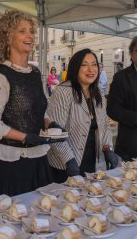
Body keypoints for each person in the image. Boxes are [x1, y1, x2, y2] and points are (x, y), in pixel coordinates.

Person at [0, 9, 60, 203]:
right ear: (7, 37)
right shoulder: (0, 76)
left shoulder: (35, 73)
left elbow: (38, 109)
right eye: (22, 31)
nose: (30, 36)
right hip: (9, 165)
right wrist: (26, 137)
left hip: (37, 159)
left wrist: (49, 124)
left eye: (31, 31)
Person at [47, 49, 119, 183]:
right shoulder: (63, 92)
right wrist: (69, 160)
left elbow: (104, 125)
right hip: (65, 165)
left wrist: (108, 148)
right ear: (75, 68)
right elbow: (54, 133)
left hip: (89, 162)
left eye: (94, 64)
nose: (90, 69)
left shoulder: (97, 92)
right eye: (84, 65)